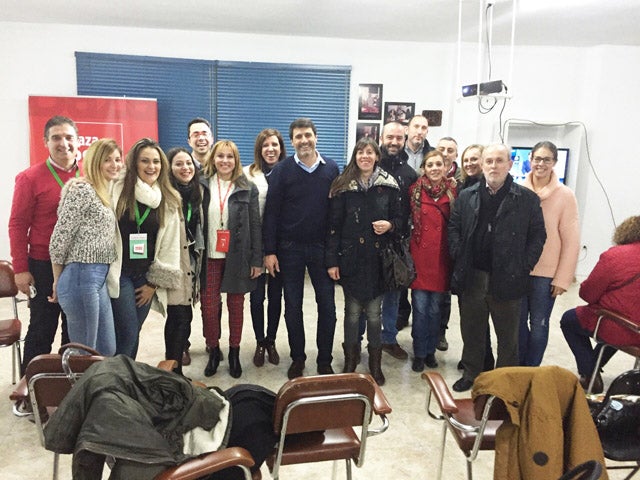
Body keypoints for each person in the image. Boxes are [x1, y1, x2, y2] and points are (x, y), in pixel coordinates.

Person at [448, 143, 546, 392]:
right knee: (472, 330)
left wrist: (524, 265)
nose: (494, 166)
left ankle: (504, 380)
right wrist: (460, 254)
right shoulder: (466, 196)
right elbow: (454, 229)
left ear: (509, 164)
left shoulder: (527, 199)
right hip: (473, 275)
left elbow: (538, 236)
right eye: (489, 161)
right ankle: (472, 373)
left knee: (508, 337)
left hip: (509, 276)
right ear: (482, 165)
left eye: (499, 161)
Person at [263, 118, 340, 379]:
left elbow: (336, 214)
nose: (304, 140)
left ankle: (325, 360)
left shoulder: (331, 169)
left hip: (321, 249)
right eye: (298, 136)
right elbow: (271, 213)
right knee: (292, 306)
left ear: (316, 137)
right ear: (292, 141)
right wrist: (270, 251)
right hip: (289, 249)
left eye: (308, 135)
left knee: (327, 307)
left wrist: (334, 253)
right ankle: (298, 358)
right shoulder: (282, 170)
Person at [326, 137, 401, 385]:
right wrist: (332, 261)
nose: (365, 156)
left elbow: (402, 220)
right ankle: (350, 360)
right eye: (360, 152)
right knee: (351, 313)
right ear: (355, 156)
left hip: (378, 261)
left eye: (370, 152)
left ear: (377, 156)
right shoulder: (342, 185)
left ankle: (375, 364)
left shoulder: (389, 185)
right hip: (351, 259)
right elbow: (333, 227)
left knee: (374, 315)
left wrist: (390, 225)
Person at [9, 116, 79, 379]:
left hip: (80, 266)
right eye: (56, 138)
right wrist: (20, 269)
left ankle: (67, 387)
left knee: (75, 331)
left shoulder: (88, 175)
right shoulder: (30, 178)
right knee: (41, 329)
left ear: (77, 141)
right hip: (43, 265)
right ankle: (30, 388)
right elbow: (17, 225)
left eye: (69, 137)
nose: (64, 143)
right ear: (45, 142)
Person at [48, 139, 123, 355]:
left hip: (98, 277)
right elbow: (59, 239)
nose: (114, 165)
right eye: (107, 160)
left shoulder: (103, 191)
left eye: (118, 159)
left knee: (106, 349)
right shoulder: (82, 190)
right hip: (81, 275)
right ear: (94, 161)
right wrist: (57, 280)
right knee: (86, 353)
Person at [110, 138, 182, 359]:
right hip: (120, 273)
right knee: (128, 331)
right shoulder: (118, 189)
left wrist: (153, 284)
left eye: (156, 161)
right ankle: (119, 374)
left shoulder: (168, 199)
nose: (151, 166)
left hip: (146, 277)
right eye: (145, 161)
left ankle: (125, 372)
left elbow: (170, 245)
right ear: (134, 163)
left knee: (134, 332)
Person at [200, 140, 262, 379]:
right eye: (220, 156)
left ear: (236, 160)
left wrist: (256, 260)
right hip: (209, 256)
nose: (225, 161)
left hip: (238, 255)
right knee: (209, 306)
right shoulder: (202, 184)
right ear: (213, 159)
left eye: (230, 157)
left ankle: (234, 350)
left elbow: (255, 225)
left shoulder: (248, 187)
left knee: (236, 306)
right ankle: (213, 348)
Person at [560, 216, 640, 393]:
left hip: (619, 327)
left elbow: (587, 294)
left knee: (569, 320)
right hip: (634, 330)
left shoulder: (615, 256)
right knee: (616, 329)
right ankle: (594, 367)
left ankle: (589, 374)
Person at [520, 141, 580, 366]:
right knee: (517, 325)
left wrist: (562, 279)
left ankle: (532, 369)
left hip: (546, 275)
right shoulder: (518, 190)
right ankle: (519, 369)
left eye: (546, 159)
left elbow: (571, 241)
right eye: (537, 158)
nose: (541, 164)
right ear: (530, 159)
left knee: (539, 325)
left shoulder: (565, 195)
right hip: (520, 270)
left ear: (554, 162)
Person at [408, 150, 457, 372]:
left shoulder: (454, 192)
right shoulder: (414, 191)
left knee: (436, 310)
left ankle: (430, 351)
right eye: (430, 165)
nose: (435, 168)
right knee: (419, 309)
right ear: (424, 169)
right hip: (420, 257)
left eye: (439, 164)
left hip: (442, 259)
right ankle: (419, 352)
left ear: (445, 167)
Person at [244, 129, 286, 368]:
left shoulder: (289, 170)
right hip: (256, 245)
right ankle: (260, 341)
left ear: (281, 148)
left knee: (276, 297)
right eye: (265, 145)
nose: (270, 149)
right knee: (257, 297)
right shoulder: (248, 174)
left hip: (282, 245)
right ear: (259, 149)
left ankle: (271, 341)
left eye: (274, 145)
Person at [377, 122, 418, 358]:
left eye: (398, 138)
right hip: (367, 244)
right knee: (365, 298)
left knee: (393, 297)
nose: (394, 142)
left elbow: (410, 214)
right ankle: (357, 342)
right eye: (390, 137)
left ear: (404, 140)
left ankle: (389, 339)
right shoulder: (369, 166)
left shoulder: (409, 174)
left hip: (395, 245)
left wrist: (393, 226)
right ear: (381, 138)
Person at [165, 148, 204, 375]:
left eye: (189, 163)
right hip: (173, 260)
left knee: (183, 314)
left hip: (190, 259)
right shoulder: (165, 195)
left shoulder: (196, 192)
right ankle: (174, 370)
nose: (186, 168)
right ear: (169, 168)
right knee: (179, 316)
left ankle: (174, 366)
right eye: (178, 164)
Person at [434, 136, 462, 352]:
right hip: (429, 244)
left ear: (456, 155)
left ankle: (440, 332)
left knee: (444, 295)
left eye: (450, 150)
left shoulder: (462, 181)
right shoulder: (425, 176)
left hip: (451, 244)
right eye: (441, 148)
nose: (445, 153)